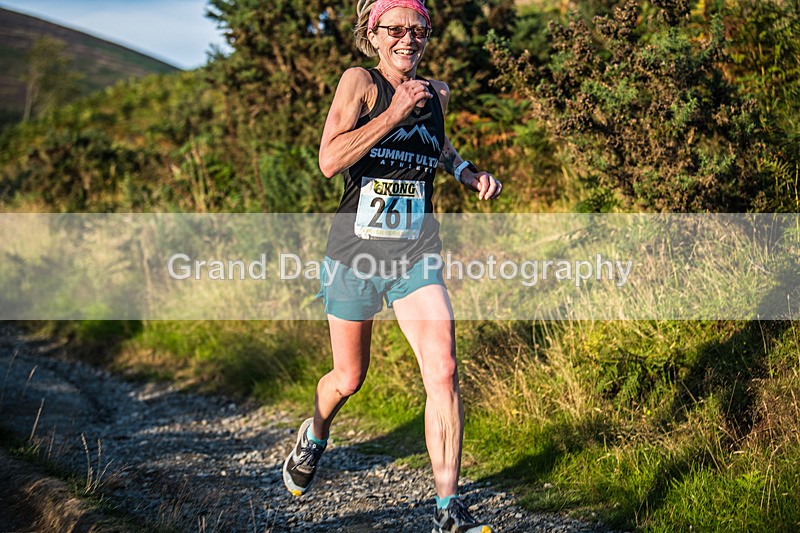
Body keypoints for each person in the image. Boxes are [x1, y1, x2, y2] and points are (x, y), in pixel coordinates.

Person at [282, 1, 501, 531]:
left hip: (415, 253)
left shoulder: (437, 92)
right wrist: (392, 114)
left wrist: (466, 171)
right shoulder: (360, 83)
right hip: (354, 254)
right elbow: (330, 160)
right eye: (396, 29)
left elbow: (439, 144)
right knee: (348, 378)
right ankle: (313, 436)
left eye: (418, 29)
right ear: (374, 35)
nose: (408, 38)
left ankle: (447, 508)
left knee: (444, 370)